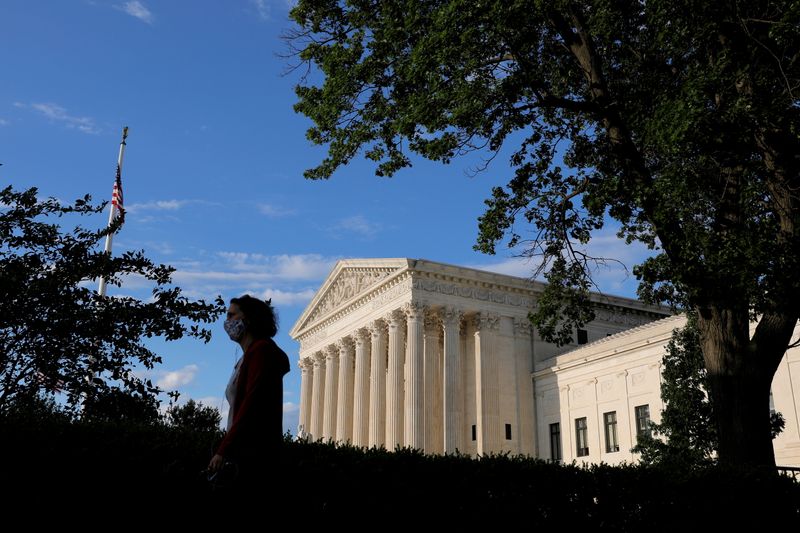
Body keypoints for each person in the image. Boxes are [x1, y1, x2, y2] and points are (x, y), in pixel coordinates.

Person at [207, 295, 290, 488]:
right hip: (243, 452)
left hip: (252, 457)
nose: (227, 321)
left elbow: (251, 405)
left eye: (231, 315)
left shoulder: (262, 352)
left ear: (248, 320)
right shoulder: (247, 358)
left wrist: (223, 450)